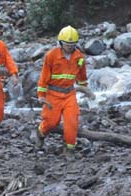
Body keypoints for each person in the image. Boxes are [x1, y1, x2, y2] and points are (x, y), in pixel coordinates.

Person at [34, 26, 95, 156]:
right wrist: (41, 95)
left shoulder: (78, 57)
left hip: (69, 94)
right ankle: (40, 133)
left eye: (72, 44)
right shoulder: (51, 55)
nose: (69, 47)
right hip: (52, 94)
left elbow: (82, 76)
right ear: (60, 43)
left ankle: (69, 149)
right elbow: (44, 77)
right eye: (67, 44)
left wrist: (85, 89)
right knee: (51, 122)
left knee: (72, 121)